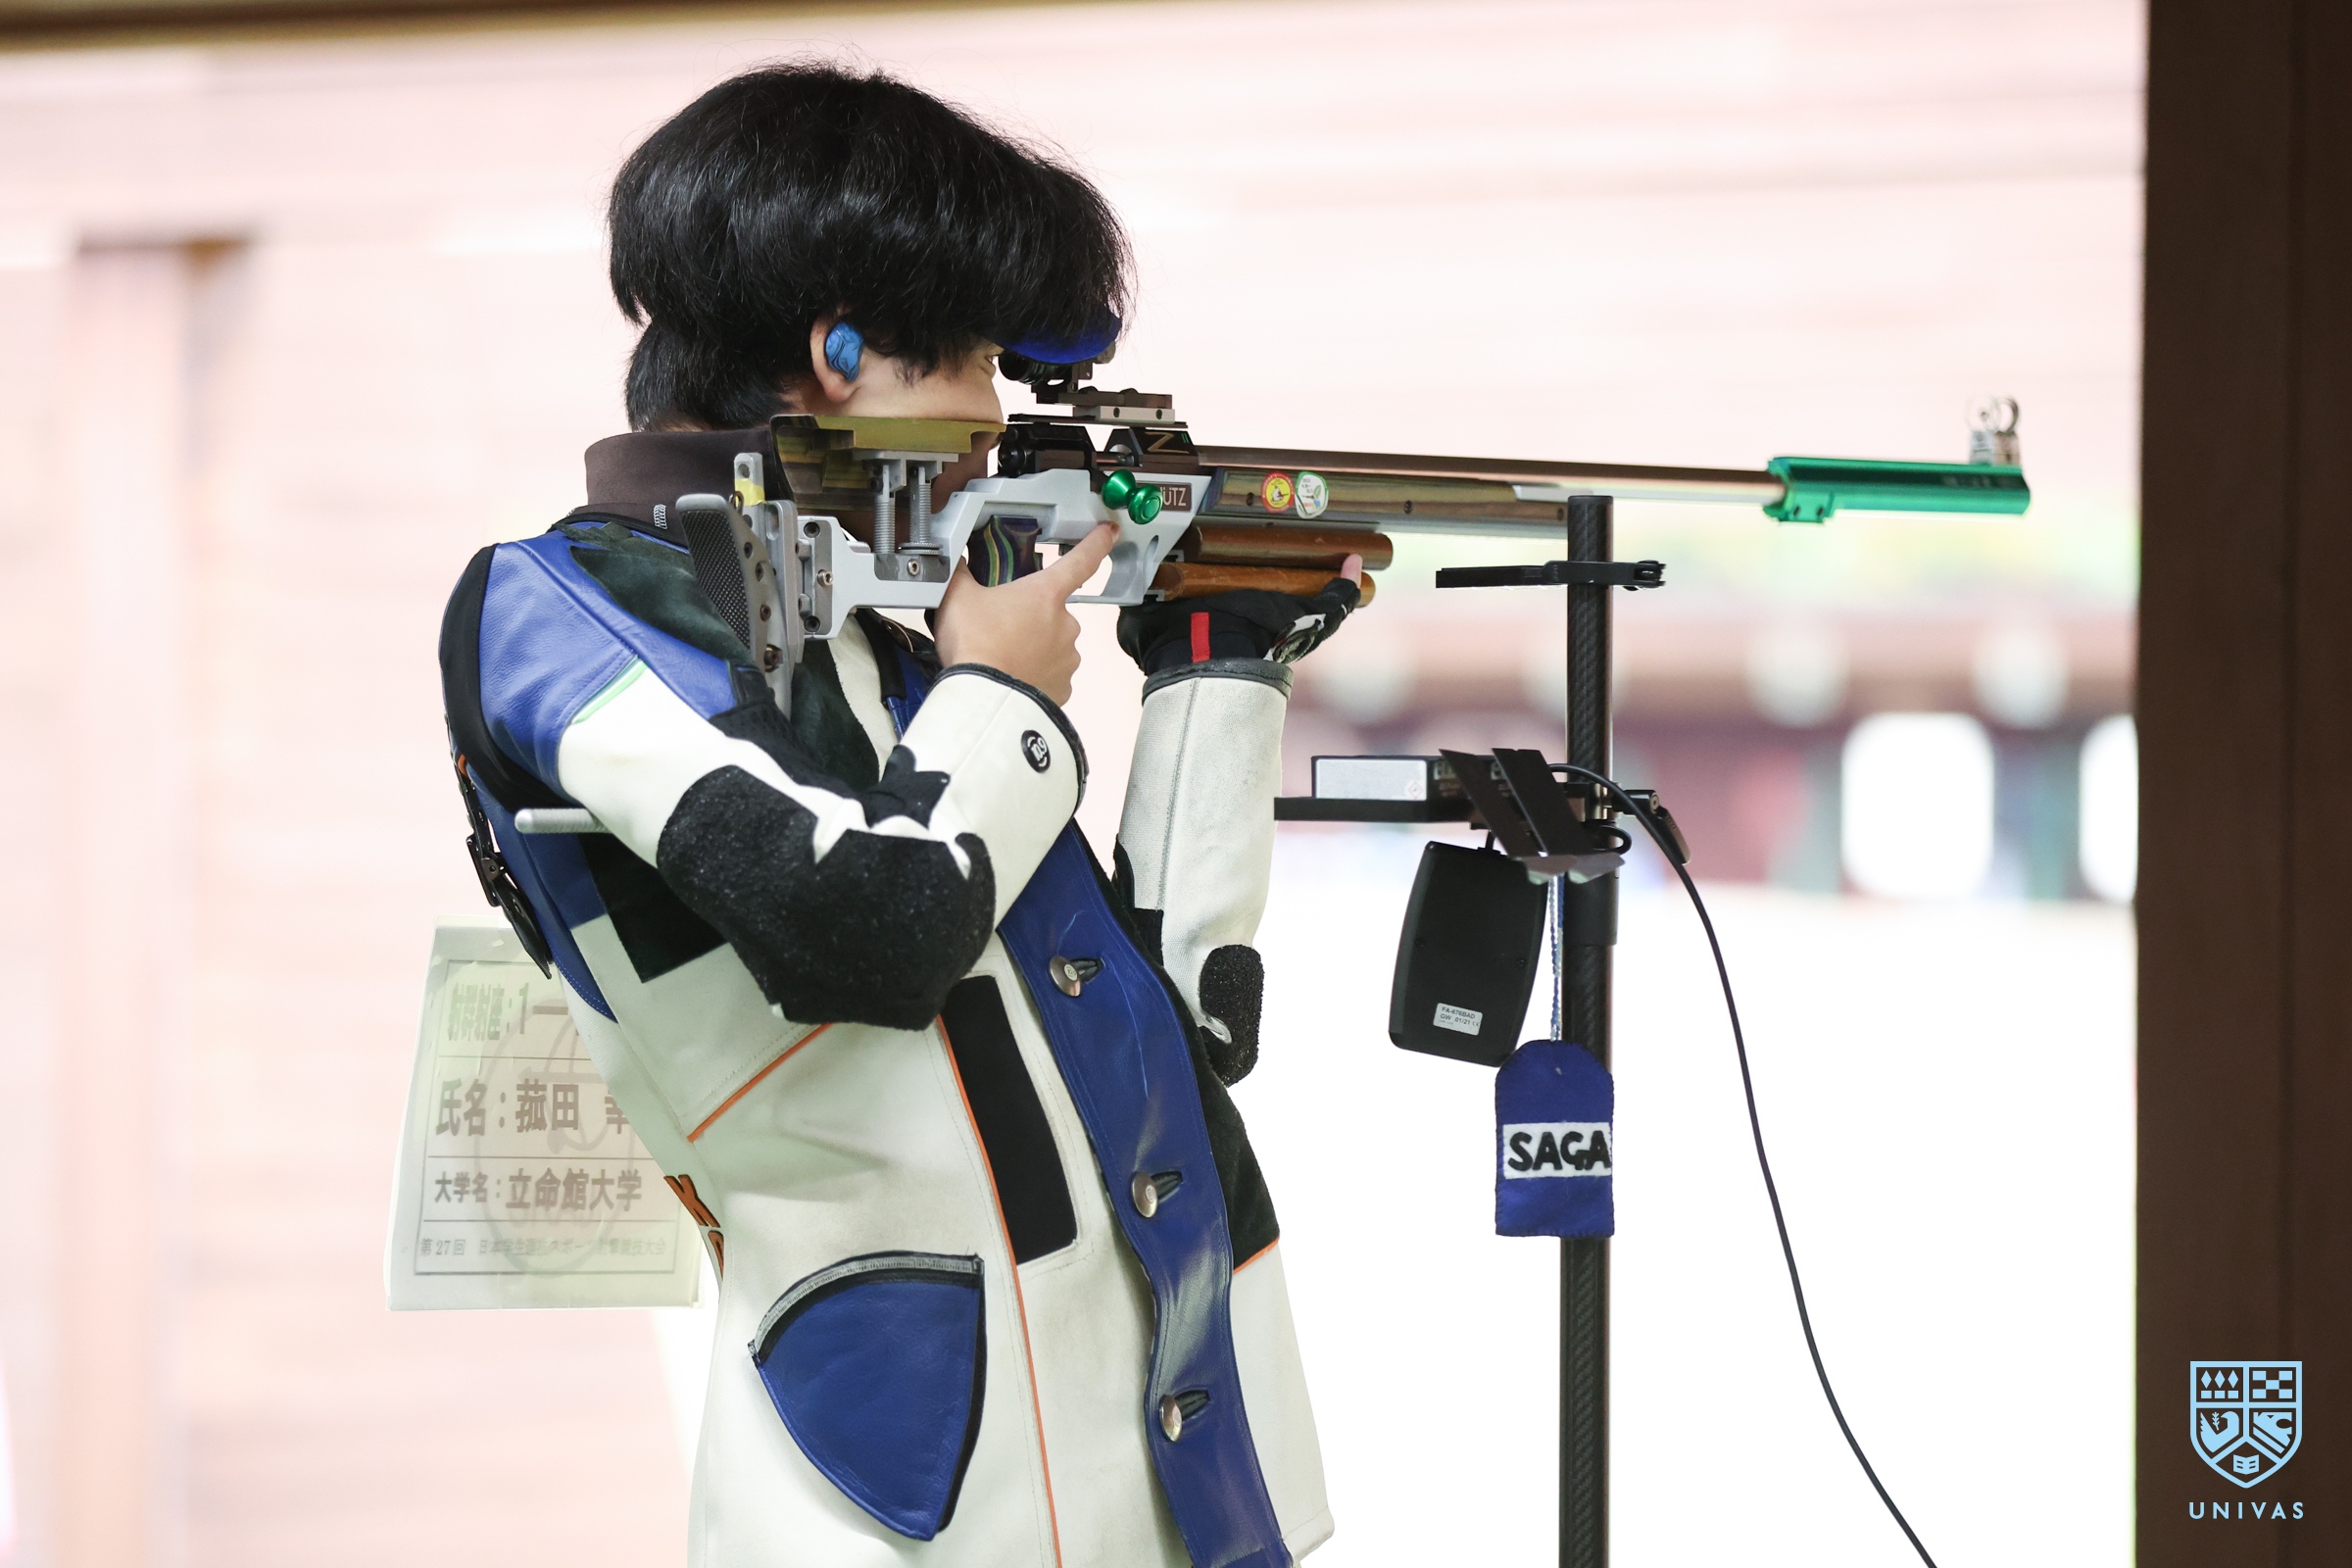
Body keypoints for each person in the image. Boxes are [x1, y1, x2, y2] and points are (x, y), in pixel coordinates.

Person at [440, 62, 1357, 1567]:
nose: (995, 419)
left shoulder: (895, 649)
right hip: (903, 1497)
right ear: (840, 350)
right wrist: (1000, 691)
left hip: (1176, 1468)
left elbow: (1173, 1042)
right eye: (980, 361)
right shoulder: (555, 609)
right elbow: (866, 929)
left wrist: (1221, 666)